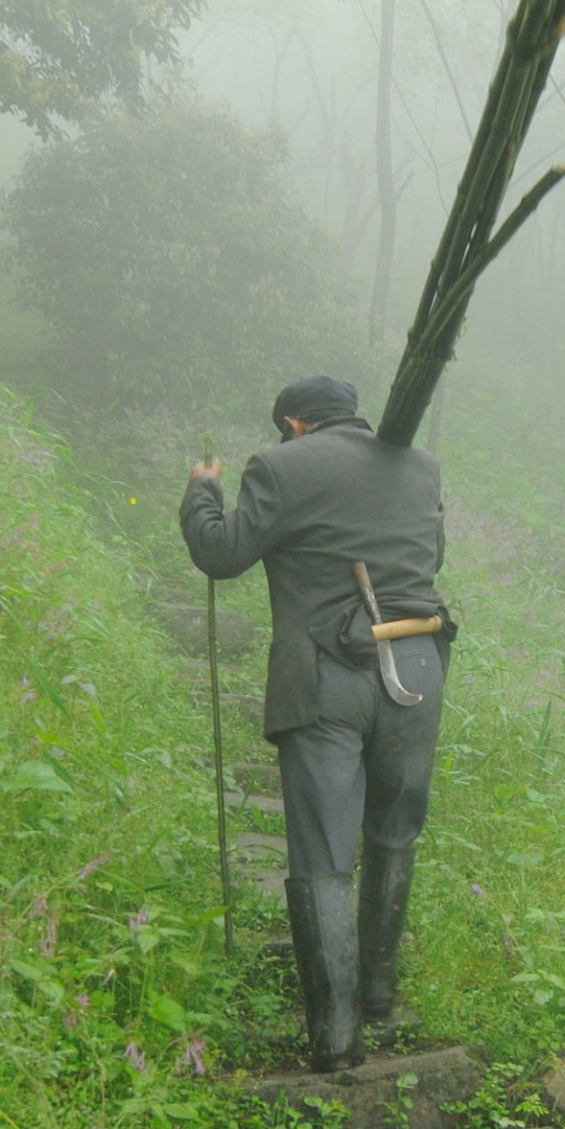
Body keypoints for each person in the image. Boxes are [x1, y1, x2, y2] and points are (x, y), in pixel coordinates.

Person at [180, 375, 450, 1071]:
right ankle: (379, 992)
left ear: (295, 425)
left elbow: (222, 552)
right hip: (417, 664)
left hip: (328, 674)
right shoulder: (422, 468)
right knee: (395, 832)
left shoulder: (281, 466)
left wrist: (203, 489)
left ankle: (335, 1040)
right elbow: (431, 556)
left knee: (325, 852)